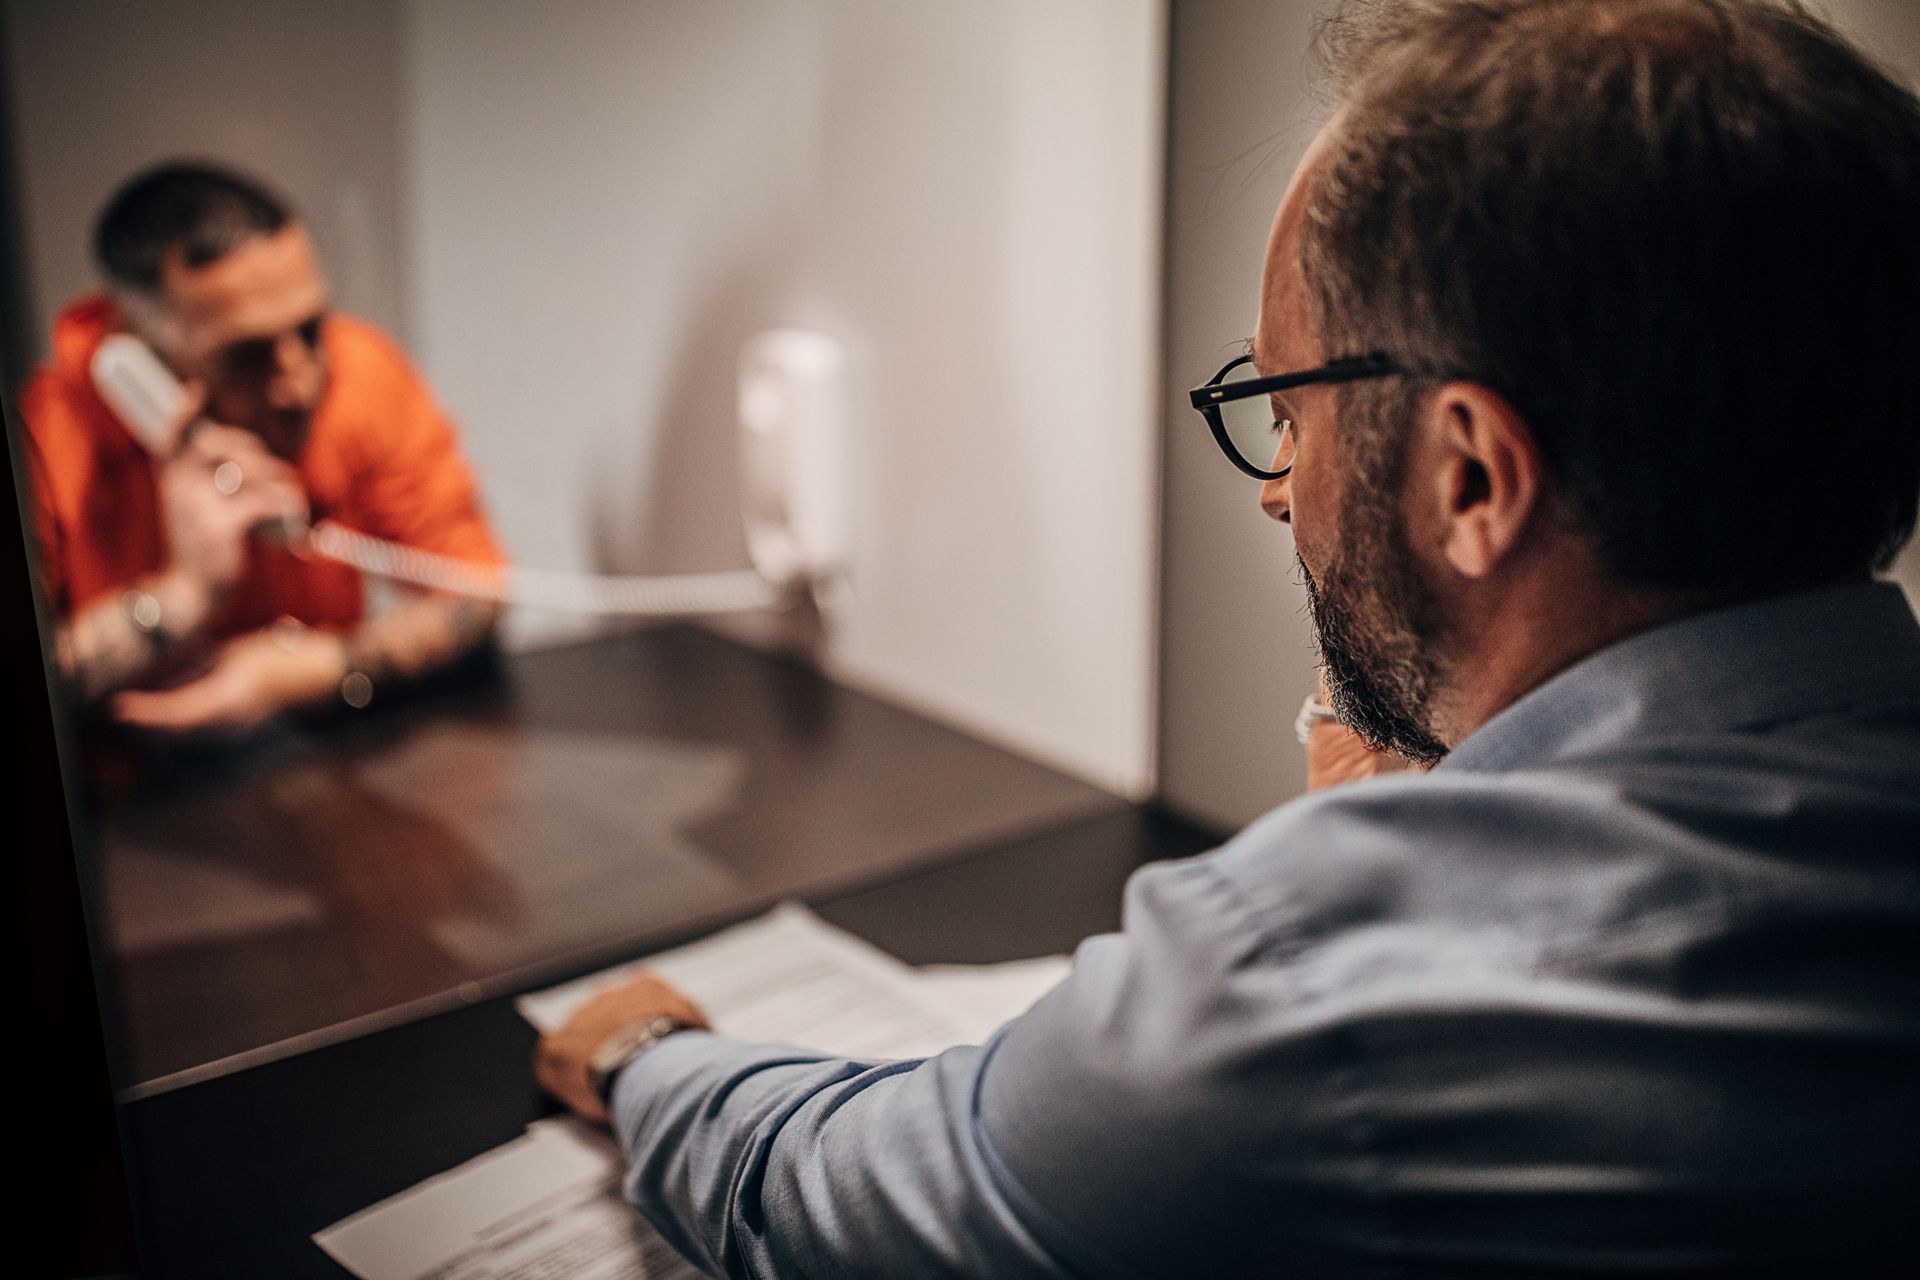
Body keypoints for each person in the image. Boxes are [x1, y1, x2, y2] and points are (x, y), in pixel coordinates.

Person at [537, 0, 1920, 1273]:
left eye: (1291, 409)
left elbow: (833, 1207)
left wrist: (647, 1055)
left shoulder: (1319, 983)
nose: (1278, 487)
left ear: (1472, 479)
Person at [16, 162, 501, 732]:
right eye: (246, 356)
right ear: (136, 353)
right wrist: (185, 592)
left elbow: (475, 592)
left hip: (326, 743)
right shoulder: (43, 441)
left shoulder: (360, 375)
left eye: (310, 330)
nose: (298, 384)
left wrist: (328, 669)